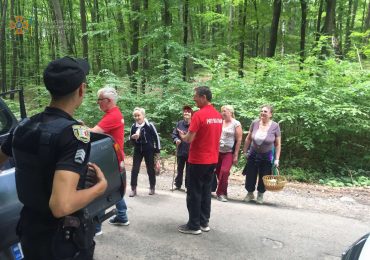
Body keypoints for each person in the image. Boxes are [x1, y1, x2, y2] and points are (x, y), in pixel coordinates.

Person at [0, 56, 108, 259]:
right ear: (81, 89)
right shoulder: (74, 135)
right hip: (62, 241)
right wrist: (99, 188)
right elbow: (61, 205)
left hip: (30, 231)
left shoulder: (24, 126)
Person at [177, 86, 222, 235]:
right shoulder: (217, 115)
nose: (193, 99)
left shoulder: (199, 115)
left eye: (195, 96)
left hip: (198, 160)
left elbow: (189, 139)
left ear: (203, 97)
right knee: (206, 192)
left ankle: (194, 225)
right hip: (212, 160)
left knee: (194, 192)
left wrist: (182, 136)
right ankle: (204, 222)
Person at [89, 86, 129, 236]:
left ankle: (97, 228)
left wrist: (78, 129)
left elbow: (93, 133)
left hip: (111, 159)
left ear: (108, 101)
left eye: (100, 100)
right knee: (114, 185)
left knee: (102, 190)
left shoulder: (112, 115)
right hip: (114, 157)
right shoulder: (113, 113)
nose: (98, 102)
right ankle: (122, 216)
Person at [242, 104, 281, 204]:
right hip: (253, 153)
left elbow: (277, 144)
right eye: (262, 111)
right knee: (250, 174)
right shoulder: (255, 123)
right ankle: (250, 193)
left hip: (267, 155)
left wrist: (277, 159)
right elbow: (248, 138)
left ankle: (260, 194)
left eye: (265, 111)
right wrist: (245, 151)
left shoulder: (275, 126)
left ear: (271, 114)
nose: (262, 113)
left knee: (265, 175)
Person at [129, 107, 161, 196]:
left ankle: (152, 187)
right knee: (134, 169)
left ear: (143, 115)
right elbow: (130, 139)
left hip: (149, 150)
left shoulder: (149, 125)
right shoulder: (133, 126)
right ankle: (133, 188)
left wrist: (157, 150)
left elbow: (156, 138)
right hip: (138, 150)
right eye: (135, 116)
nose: (137, 117)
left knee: (150, 169)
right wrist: (133, 138)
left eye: (138, 115)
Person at [215, 105, 242, 202]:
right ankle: (223, 192)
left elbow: (239, 140)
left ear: (230, 112)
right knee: (218, 172)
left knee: (225, 171)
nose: (223, 113)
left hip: (229, 152)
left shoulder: (236, 123)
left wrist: (235, 155)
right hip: (217, 151)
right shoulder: (220, 122)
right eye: (222, 111)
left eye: (225, 111)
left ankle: (220, 194)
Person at [171, 105, 193, 190]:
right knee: (179, 168)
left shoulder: (194, 124)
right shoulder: (179, 123)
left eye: (188, 111)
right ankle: (177, 184)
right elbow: (174, 134)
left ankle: (188, 186)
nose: (186, 113)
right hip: (180, 150)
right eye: (185, 111)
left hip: (190, 151)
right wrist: (176, 139)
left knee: (189, 170)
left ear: (191, 113)